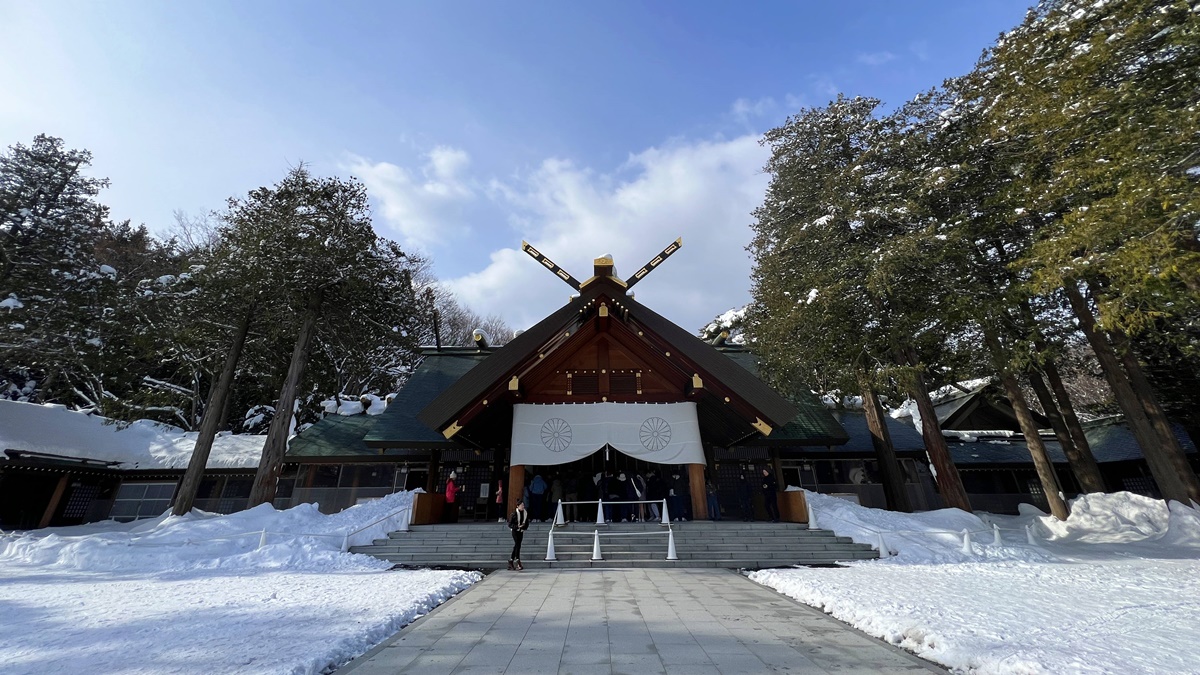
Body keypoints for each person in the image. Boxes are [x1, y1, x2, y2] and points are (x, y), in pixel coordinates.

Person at [508, 499, 530, 571]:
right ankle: (518, 560)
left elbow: (526, 522)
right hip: (515, 531)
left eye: (523, 505)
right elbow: (510, 524)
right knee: (517, 544)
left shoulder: (525, 513)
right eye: (521, 505)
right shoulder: (514, 514)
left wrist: (524, 527)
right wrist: (517, 527)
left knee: (518, 545)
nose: (523, 507)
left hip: (521, 531)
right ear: (518, 506)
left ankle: (511, 560)